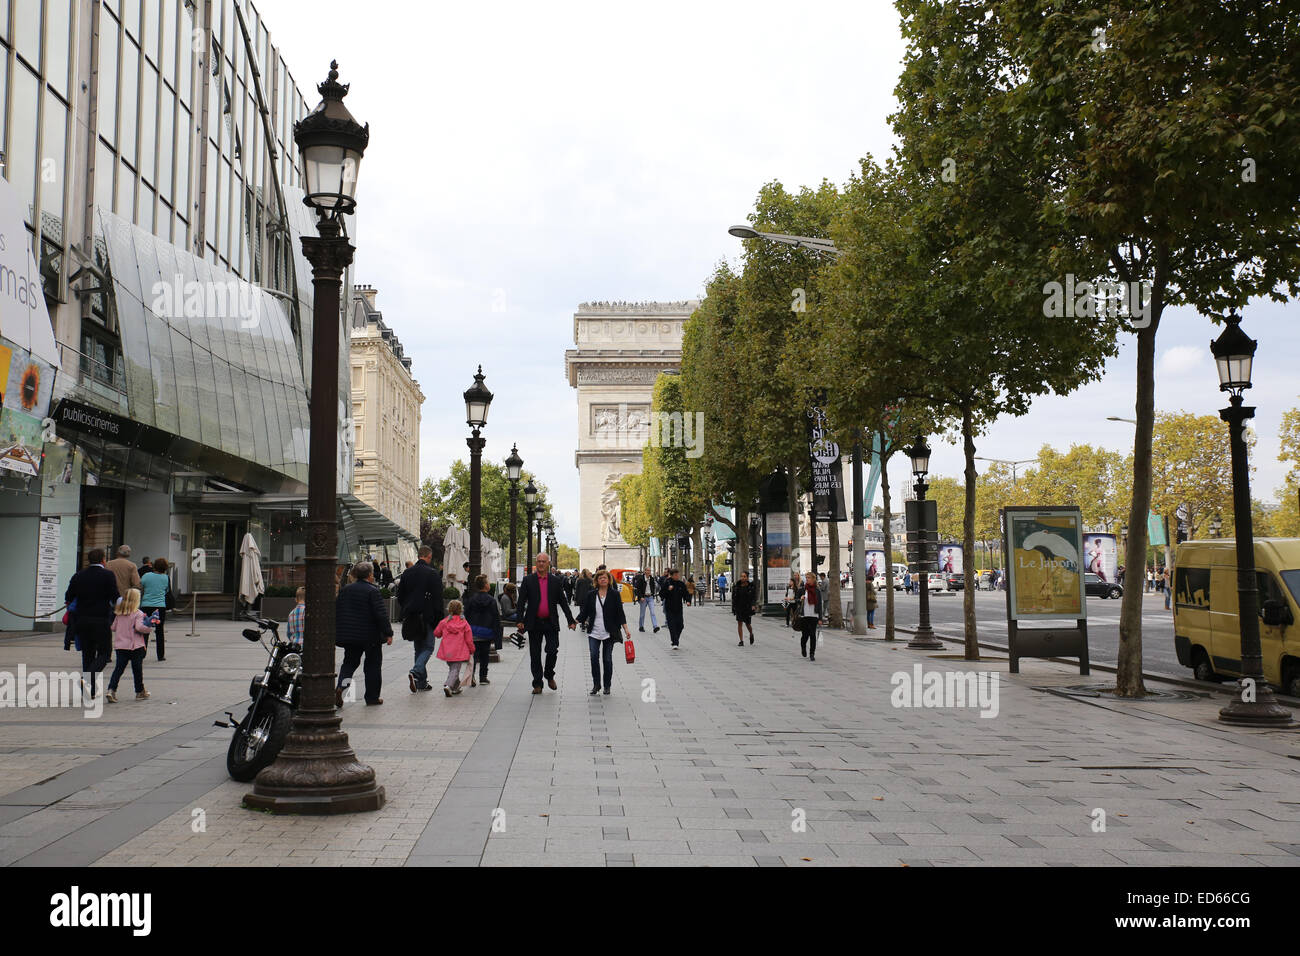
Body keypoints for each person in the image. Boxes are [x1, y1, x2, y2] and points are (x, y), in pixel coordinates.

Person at [515, 552, 576, 694]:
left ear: (548, 563)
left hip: (551, 622)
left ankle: (549, 675)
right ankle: (537, 683)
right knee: (535, 654)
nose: (541, 564)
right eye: (539, 561)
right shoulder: (528, 580)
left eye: (544, 561)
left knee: (552, 650)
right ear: (537, 563)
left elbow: (563, 601)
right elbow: (521, 602)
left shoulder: (555, 581)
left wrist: (570, 620)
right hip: (534, 622)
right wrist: (519, 620)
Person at [334, 562, 393, 707]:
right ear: (369, 575)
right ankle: (372, 697)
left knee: (349, 662)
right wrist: (388, 633)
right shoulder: (372, 591)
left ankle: (341, 686)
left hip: (350, 635)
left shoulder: (345, 590)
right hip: (370, 635)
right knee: (372, 665)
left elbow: (338, 611)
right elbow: (380, 614)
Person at [65, 549, 119, 698]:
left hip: (82, 620)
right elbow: (115, 597)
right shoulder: (108, 575)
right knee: (104, 653)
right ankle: (88, 680)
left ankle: (89, 692)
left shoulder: (78, 575)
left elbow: (68, 596)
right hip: (101, 620)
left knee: (87, 654)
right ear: (103, 560)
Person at [397, 545, 444, 693]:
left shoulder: (407, 573)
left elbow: (400, 596)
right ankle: (416, 671)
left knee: (418, 647)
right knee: (428, 646)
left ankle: (421, 682)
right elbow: (438, 599)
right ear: (429, 557)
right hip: (427, 615)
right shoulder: (432, 573)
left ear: (419, 556)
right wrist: (439, 619)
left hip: (411, 615)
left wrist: (407, 607)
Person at [576, 569, 630, 695]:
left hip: (609, 632)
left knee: (607, 659)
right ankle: (596, 684)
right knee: (594, 657)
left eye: (605, 578)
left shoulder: (615, 594)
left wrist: (626, 629)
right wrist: (575, 621)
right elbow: (585, 612)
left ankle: (607, 685)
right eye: (600, 578)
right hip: (594, 631)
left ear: (608, 579)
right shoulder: (591, 594)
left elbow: (620, 613)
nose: (603, 580)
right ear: (597, 581)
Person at [105, 587, 155, 702]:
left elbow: (113, 627)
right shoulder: (138, 613)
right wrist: (149, 627)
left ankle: (111, 690)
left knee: (118, 669)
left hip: (121, 646)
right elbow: (139, 627)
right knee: (137, 670)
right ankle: (139, 691)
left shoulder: (120, 613)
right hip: (135, 646)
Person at [434, 599, 476, 696]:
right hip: (459, 651)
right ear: (461, 610)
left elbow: (437, 633)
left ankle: (456, 687)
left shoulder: (444, 622)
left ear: (449, 609)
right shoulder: (464, 623)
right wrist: (472, 649)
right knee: (455, 669)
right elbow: (469, 639)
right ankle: (448, 686)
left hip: (447, 651)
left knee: (453, 669)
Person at [464, 574, 500, 685]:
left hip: (474, 631)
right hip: (487, 631)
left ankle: (472, 676)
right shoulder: (492, 601)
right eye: (488, 582)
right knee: (485, 655)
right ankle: (483, 677)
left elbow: (467, 614)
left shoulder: (471, 599)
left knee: (474, 655)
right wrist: (496, 633)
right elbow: (495, 617)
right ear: (485, 586)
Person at [139, 558, 171, 661]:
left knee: (145, 630)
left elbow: (141, 587)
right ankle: (160, 655)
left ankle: (142, 653)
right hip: (160, 607)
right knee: (159, 631)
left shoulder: (146, 576)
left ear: (154, 566)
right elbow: (166, 590)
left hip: (146, 605)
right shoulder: (166, 578)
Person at [661, 568, 690, 649]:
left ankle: (675, 638)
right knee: (672, 625)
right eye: (676, 575)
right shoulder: (667, 583)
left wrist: (687, 601)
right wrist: (668, 590)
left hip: (679, 608)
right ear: (672, 575)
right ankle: (675, 642)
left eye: (678, 575)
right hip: (669, 608)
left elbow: (686, 593)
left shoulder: (681, 584)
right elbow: (661, 594)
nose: (677, 576)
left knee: (680, 625)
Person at [798, 571, 824, 661]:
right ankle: (803, 647)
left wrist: (820, 618)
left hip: (814, 615)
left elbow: (820, 605)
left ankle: (812, 653)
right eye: (806, 578)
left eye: (809, 578)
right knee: (805, 635)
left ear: (813, 579)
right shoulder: (802, 589)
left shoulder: (817, 591)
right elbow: (796, 601)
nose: (807, 579)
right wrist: (800, 599)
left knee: (812, 634)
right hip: (805, 615)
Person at [732, 570, 758, 645]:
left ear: (747, 578)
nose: (742, 578)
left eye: (744, 576)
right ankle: (741, 641)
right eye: (741, 576)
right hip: (739, 607)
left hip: (747, 607)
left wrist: (753, 605)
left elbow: (753, 597)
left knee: (747, 624)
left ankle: (751, 633)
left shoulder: (751, 586)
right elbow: (734, 597)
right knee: (739, 623)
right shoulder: (737, 586)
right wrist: (733, 607)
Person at [632, 569, 660, 634]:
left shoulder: (652, 579)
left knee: (652, 612)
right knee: (642, 614)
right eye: (647, 570)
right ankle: (641, 626)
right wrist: (641, 596)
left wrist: (653, 594)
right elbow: (637, 589)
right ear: (645, 571)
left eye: (650, 571)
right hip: (643, 598)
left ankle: (655, 626)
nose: (649, 572)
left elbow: (653, 587)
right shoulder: (641, 579)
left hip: (650, 597)